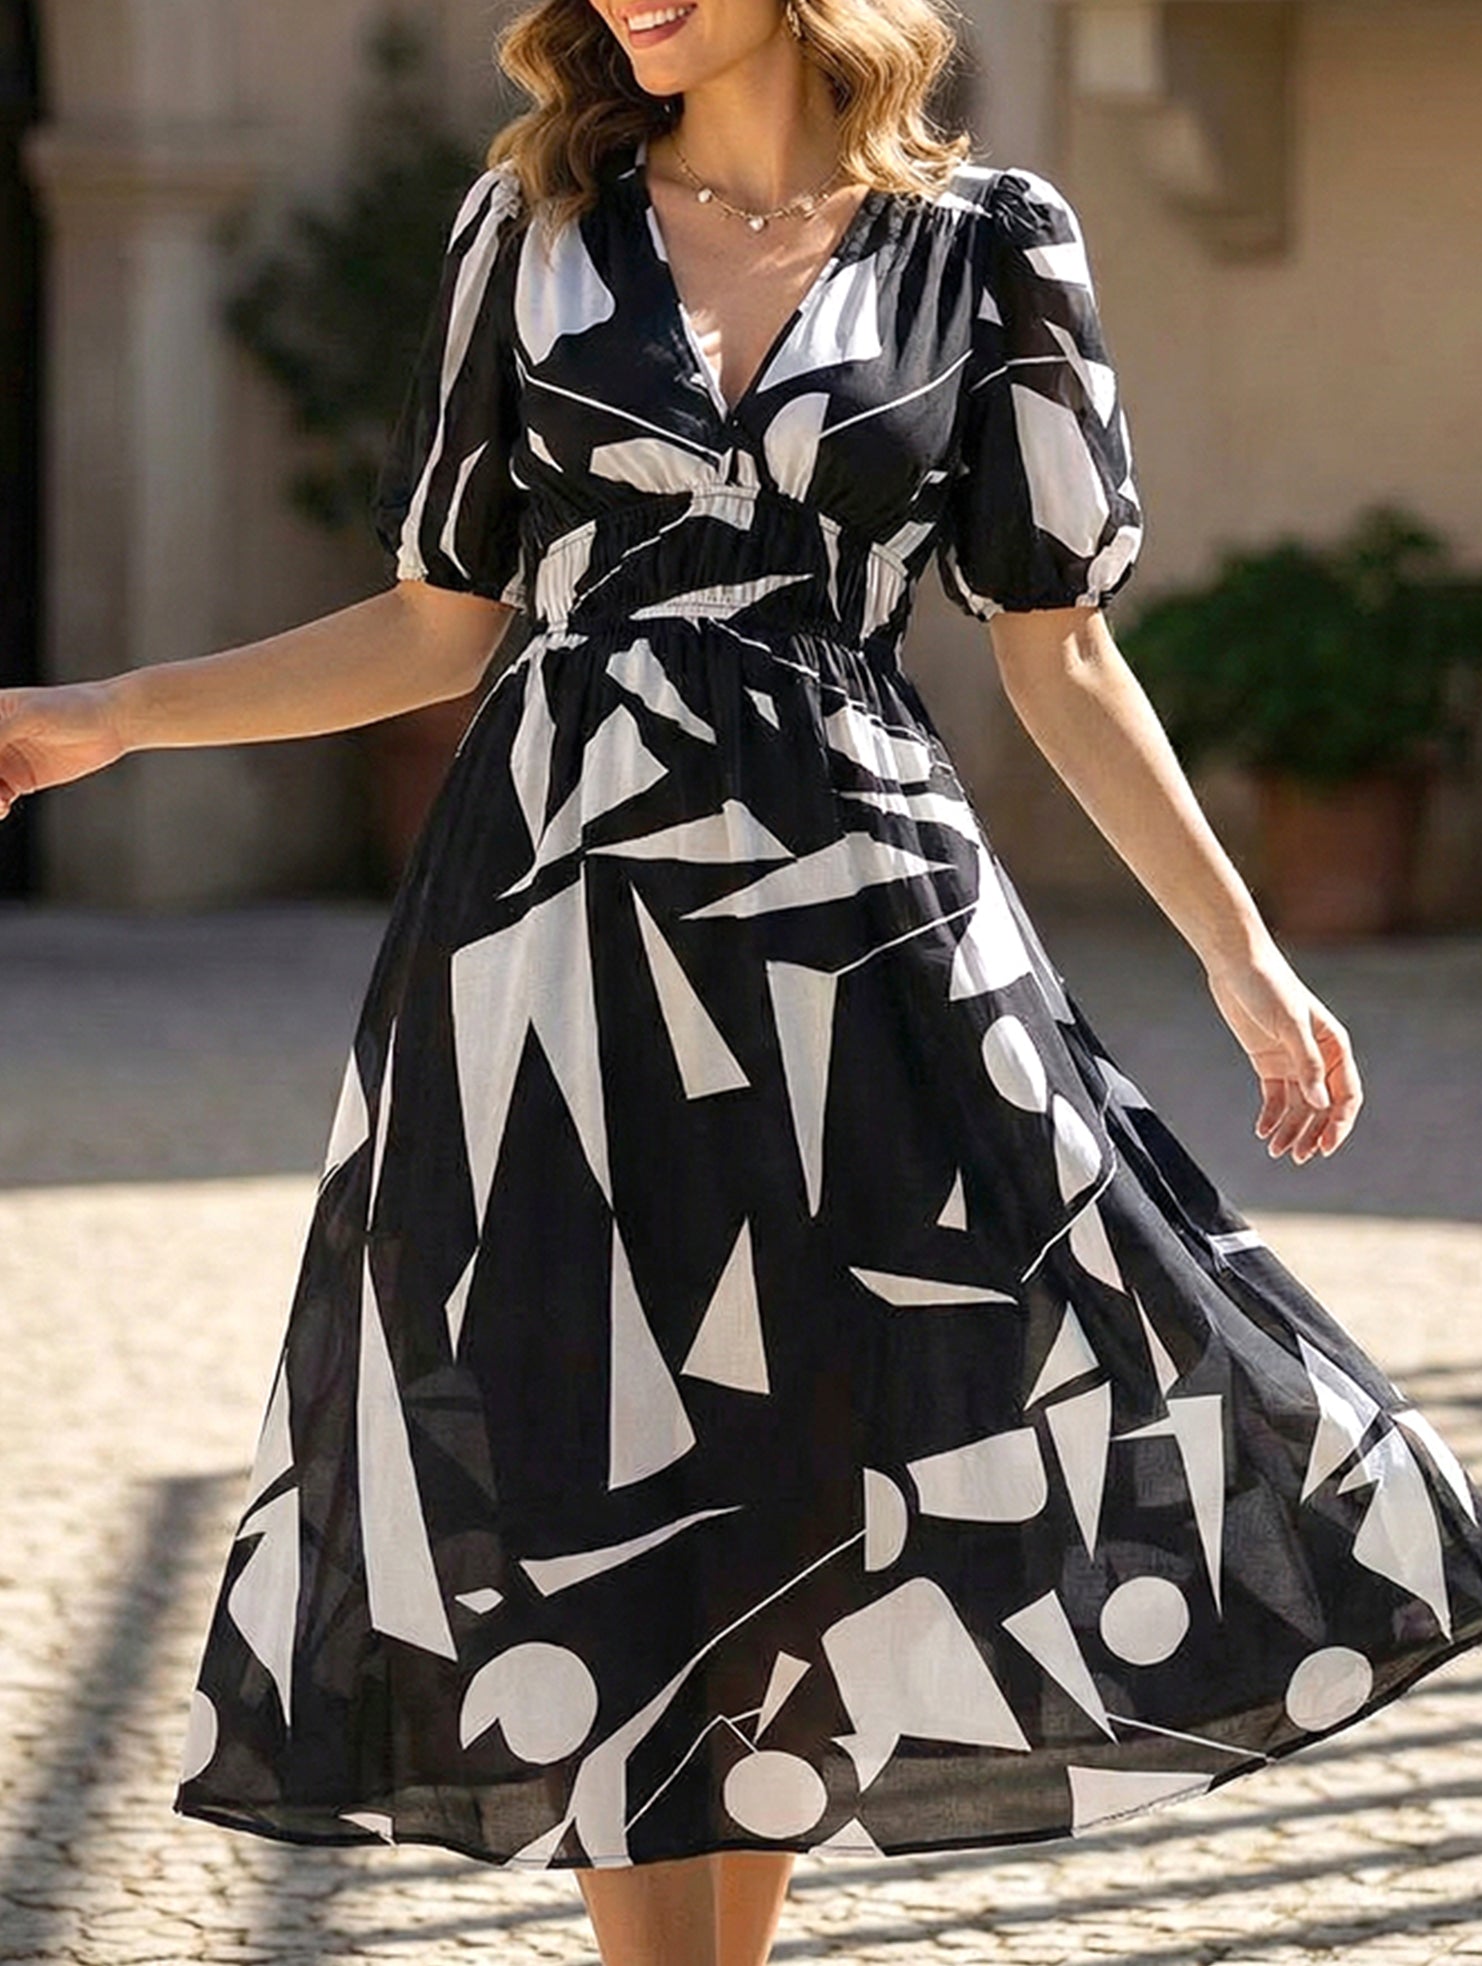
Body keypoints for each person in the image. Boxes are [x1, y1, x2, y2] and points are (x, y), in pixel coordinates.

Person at [4, 1, 1481, 1962]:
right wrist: (114, 711)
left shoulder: (990, 244)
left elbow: (1057, 649)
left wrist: (1241, 947)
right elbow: (442, 621)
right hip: (552, 919)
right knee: (589, 1442)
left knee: (813, 1443)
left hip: (861, 920)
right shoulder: (529, 228)